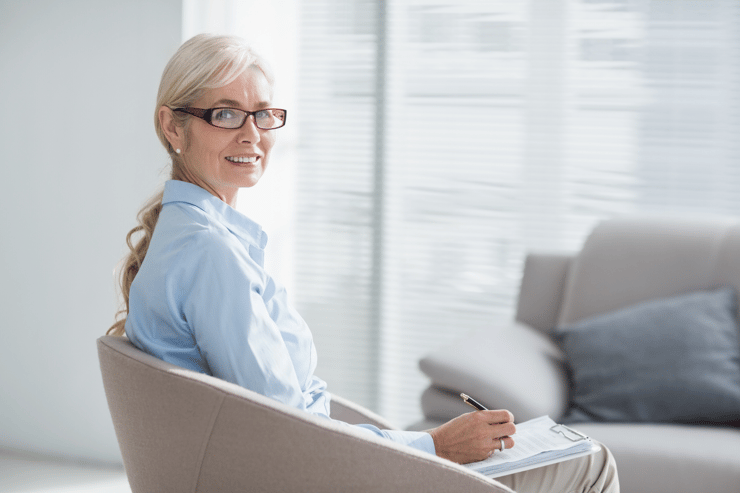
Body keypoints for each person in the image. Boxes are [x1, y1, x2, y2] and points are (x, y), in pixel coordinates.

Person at [109, 33, 618, 492]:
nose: (251, 134)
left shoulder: (190, 240)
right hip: (314, 476)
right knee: (590, 462)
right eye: (224, 113)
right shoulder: (211, 254)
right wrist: (435, 448)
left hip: (305, 465)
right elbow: (293, 434)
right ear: (173, 127)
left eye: (263, 113)